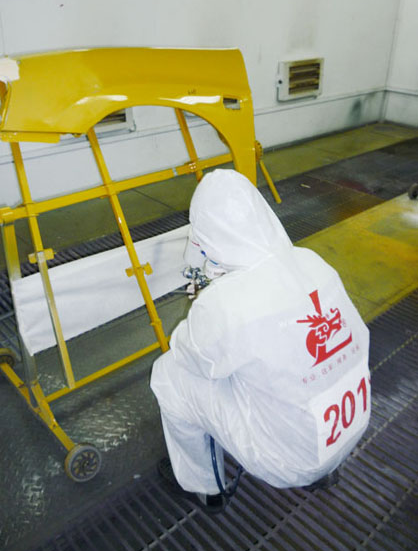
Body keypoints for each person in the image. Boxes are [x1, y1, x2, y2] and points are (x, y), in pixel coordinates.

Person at [150, 169, 370, 514]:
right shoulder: (312, 261)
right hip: (353, 427)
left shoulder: (225, 301)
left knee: (168, 375)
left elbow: (189, 356)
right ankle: (326, 468)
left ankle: (205, 487)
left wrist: (204, 305)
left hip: (289, 462)